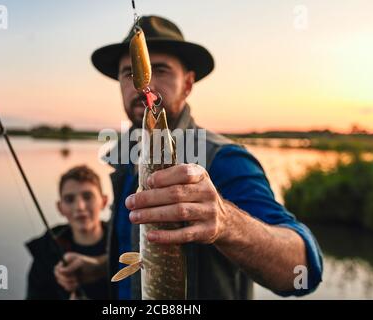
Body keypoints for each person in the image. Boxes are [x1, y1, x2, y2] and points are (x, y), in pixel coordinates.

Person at [64, 15, 323, 300]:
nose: (142, 87)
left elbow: (304, 268)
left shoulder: (223, 159)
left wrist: (225, 222)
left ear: (187, 84)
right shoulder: (127, 159)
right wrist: (102, 267)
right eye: (128, 74)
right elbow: (146, 250)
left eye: (160, 71)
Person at [25, 165, 109, 299]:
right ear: (60, 207)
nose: (80, 206)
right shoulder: (45, 251)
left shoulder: (127, 241)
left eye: (88, 196)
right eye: (69, 199)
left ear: (104, 201)